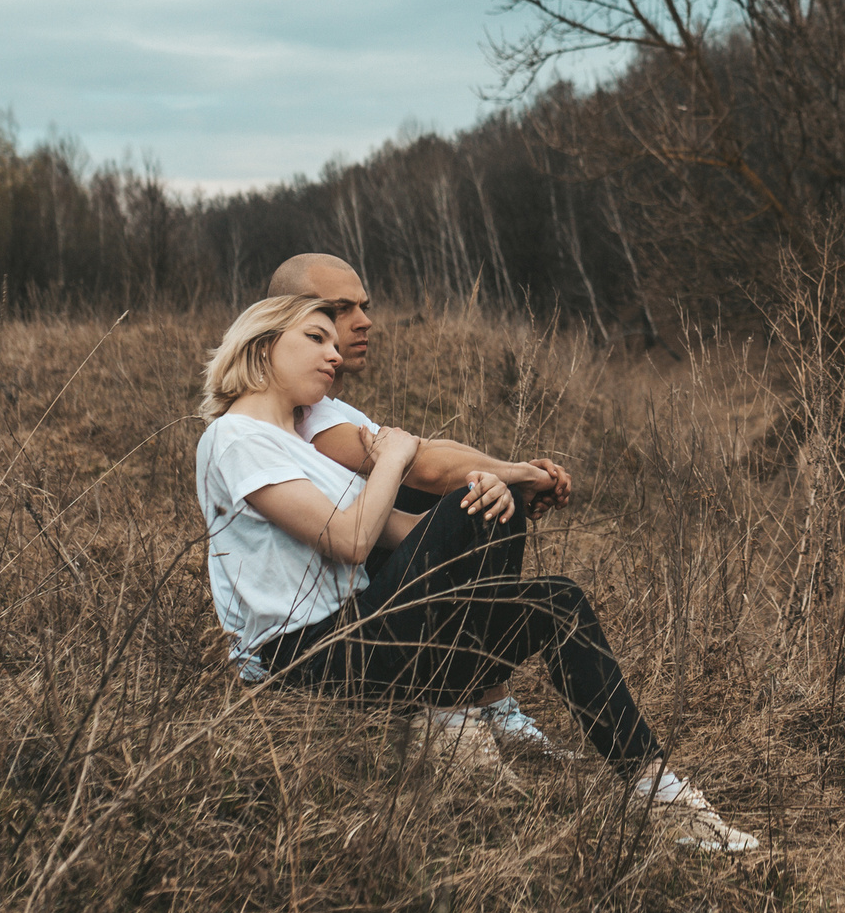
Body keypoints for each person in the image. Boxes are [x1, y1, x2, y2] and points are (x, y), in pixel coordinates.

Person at [194, 293, 758, 852]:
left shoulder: (296, 444)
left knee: (553, 596)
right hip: (302, 658)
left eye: (333, 342)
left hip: (360, 632)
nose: (335, 353)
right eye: (315, 339)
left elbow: (406, 534)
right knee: (476, 504)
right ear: (263, 347)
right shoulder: (235, 437)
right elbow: (349, 539)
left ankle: (659, 793)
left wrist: (489, 496)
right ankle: (453, 720)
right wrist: (395, 457)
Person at [263, 251, 569, 757]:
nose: (364, 321)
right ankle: (471, 700)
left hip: (349, 606)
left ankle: (484, 697)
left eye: (364, 306)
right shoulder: (303, 419)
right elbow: (424, 466)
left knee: (479, 497)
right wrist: (521, 475)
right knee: (473, 496)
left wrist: (510, 476)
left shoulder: (326, 408)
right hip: (320, 641)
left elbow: (427, 453)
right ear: (289, 321)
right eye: (341, 310)